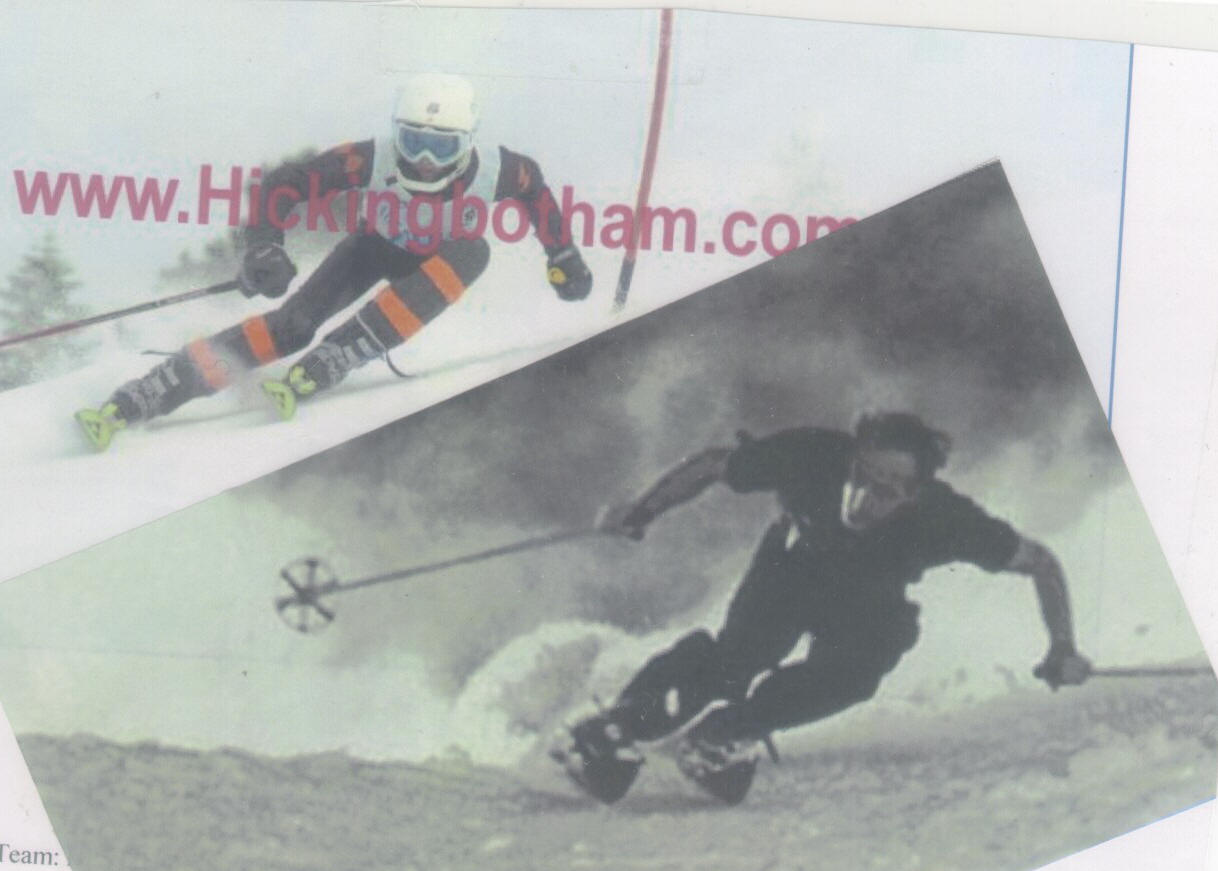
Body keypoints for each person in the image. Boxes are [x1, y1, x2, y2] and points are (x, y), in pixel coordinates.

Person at [555, 412, 1092, 804]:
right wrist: (642, 510)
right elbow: (716, 465)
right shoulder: (813, 454)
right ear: (851, 458)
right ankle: (618, 729)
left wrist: (1062, 647)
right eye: (860, 475)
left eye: (886, 491)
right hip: (792, 567)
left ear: (915, 495)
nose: (861, 498)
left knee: (859, 670)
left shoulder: (948, 520)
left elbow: (1041, 563)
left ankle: (728, 733)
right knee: (735, 660)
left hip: (864, 599)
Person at [75, 73, 592, 450]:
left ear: (467, 142)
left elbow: (538, 197)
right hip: (373, 248)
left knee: (474, 249)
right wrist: (265, 245)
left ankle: (345, 350)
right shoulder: (371, 157)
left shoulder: (504, 170)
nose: (424, 162)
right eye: (413, 142)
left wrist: (563, 255)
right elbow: (287, 183)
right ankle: (155, 388)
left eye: (441, 148)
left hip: (440, 264)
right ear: (396, 134)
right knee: (292, 327)